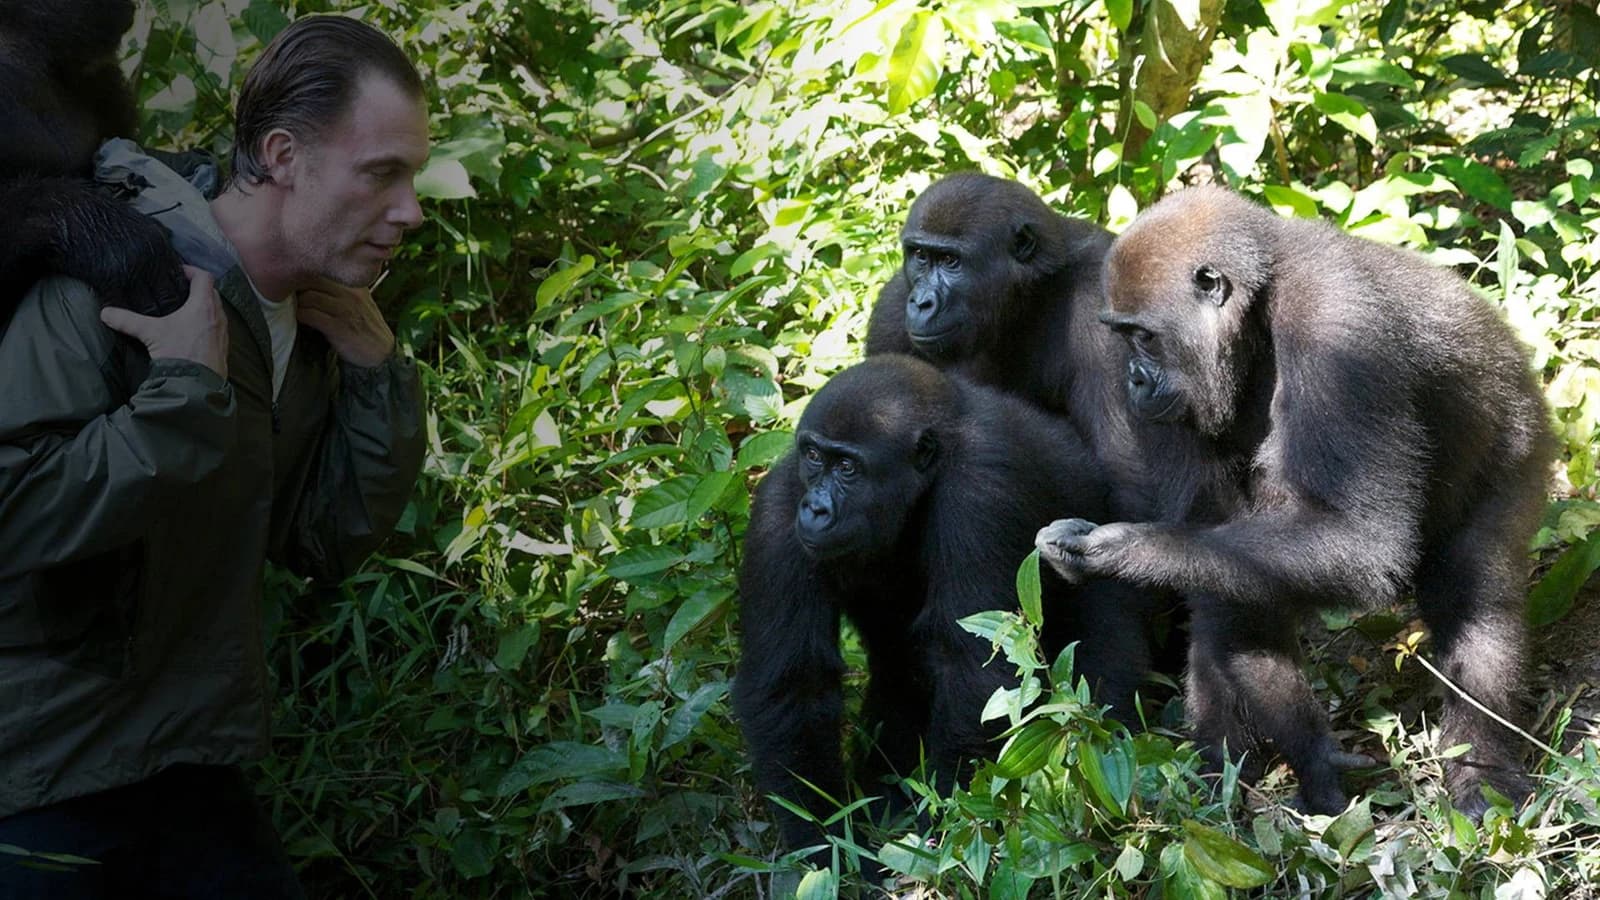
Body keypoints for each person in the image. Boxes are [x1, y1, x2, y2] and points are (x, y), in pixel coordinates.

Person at [0, 15, 429, 897]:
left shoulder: (304, 319)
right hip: (38, 778)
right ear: (282, 155)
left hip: (185, 759)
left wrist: (380, 383)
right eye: (381, 174)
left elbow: (320, 542)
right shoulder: (103, 288)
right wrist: (185, 393)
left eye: (412, 176)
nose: (410, 211)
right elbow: (10, 514)